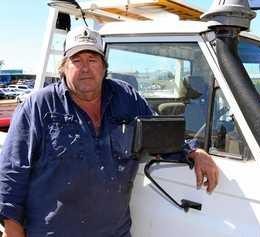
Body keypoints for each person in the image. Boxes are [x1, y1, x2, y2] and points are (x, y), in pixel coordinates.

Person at [0, 26, 219, 237]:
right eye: (76, 60)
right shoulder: (39, 106)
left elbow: (158, 136)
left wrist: (194, 152)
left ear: (104, 67)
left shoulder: (127, 98)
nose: (85, 68)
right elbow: (11, 175)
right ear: (63, 68)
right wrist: (13, 231)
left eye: (92, 60)